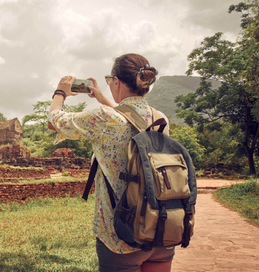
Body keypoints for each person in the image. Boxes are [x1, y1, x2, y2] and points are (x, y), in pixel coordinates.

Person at [48, 53, 173, 272]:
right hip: (160, 230)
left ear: (116, 81)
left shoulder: (105, 117)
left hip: (122, 236)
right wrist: (102, 98)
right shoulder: (159, 117)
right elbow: (127, 121)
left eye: (109, 81)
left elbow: (55, 121)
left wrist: (60, 92)